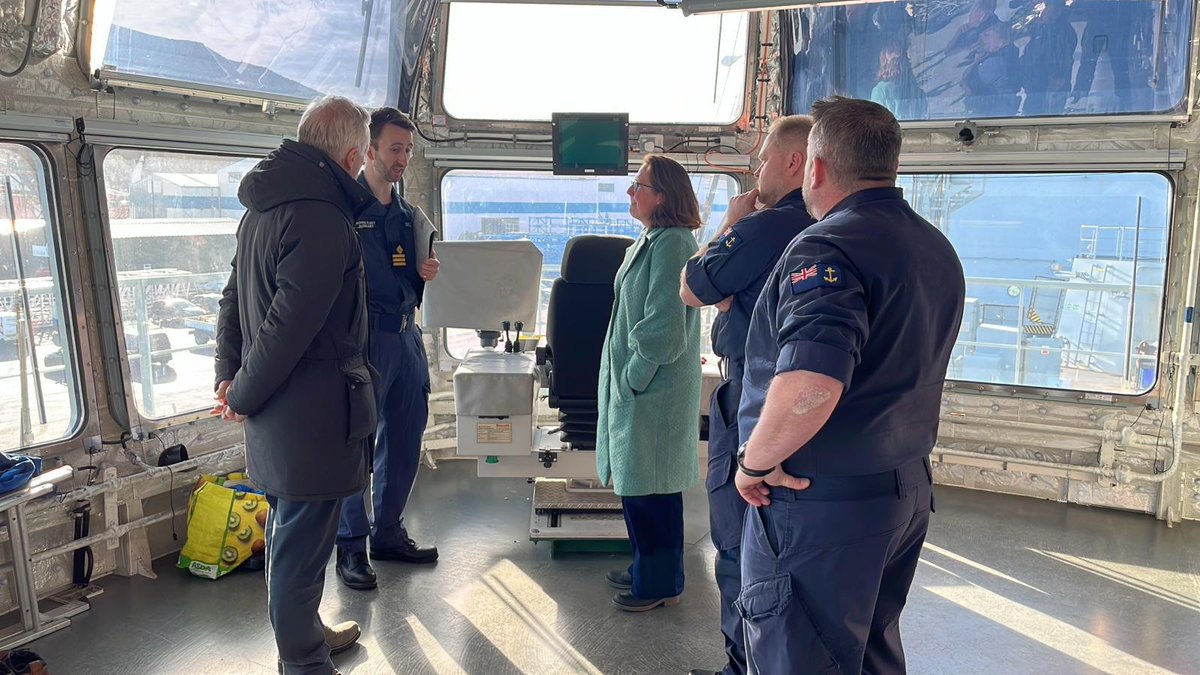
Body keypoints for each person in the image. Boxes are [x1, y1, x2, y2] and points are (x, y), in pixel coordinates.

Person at [733, 97, 965, 674]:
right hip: (901, 491)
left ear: (814, 168)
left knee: (801, 655)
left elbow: (813, 382)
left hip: (819, 500)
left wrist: (754, 462)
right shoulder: (934, 246)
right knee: (869, 654)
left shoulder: (825, 247)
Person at [212, 95, 377, 675]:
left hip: (277, 415)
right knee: (300, 553)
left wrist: (229, 379)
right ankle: (303, 662)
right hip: (313, 417)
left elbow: (233, 302)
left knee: (292, 537)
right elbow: (291, 328)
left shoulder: (261, 208)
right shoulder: (322, 216)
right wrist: (241, 393)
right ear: (353, 155)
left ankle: (307, 631)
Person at [678, 116, 817, 675]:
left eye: (762, 159)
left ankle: (742, 666)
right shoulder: (831, 227)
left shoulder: (761, 228)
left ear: (792, 163)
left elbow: (692, 286)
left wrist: (729, 225)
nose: (756, 170)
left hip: (752, 400)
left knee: (738, 542)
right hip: (806, 409)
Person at [335, 107, 441, 591]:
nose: (403, 159)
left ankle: (389, 533)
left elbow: (409, 274)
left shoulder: (408, 216)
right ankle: (351, 547)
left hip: (407, 335)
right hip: (365, 341)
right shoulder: (344, 209)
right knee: (357, 447)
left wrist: (426, 273)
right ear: (370, 149)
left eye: (409, 150)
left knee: (404, 440)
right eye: (395, 148)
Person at [596, 155, 702, 612]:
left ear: (662, 195)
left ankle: (657, 583)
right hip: (640, 389)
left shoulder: (674, 243)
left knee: (653, 493)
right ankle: (647, 568)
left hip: (653, 390)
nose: (630, 193)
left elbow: (663, 328)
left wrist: (633, 379)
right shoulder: (651, 239)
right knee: (640, 490)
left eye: (638, 185)